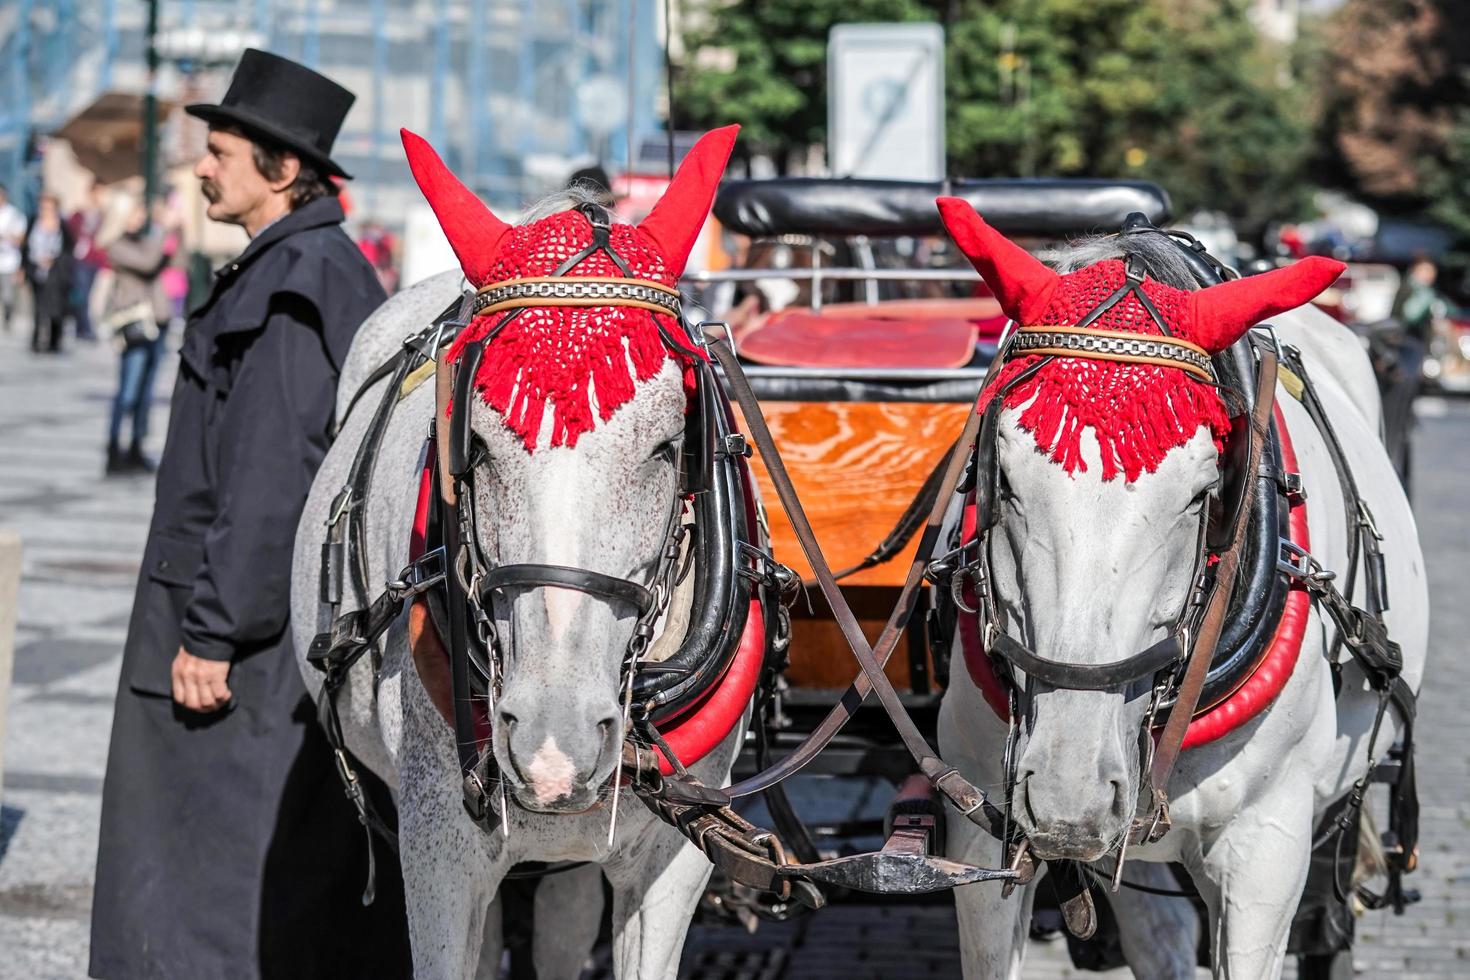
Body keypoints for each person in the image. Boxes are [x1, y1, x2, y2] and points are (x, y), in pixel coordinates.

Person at [89, 49, 410, 980]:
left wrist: (217, 631)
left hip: (247, 646)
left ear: (282, 170)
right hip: (252, 630)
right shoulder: (298, 265)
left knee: (215, 871)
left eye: (221, 152)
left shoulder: (298, 280)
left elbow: (273, 480)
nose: (200, 168)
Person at [99, 194, 170, 475]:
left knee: (146, 392)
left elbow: (175, 259)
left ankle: (137, 447)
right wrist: (162, 227)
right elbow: (149, 263)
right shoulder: (115, 245)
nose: (141, 216)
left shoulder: (143, 240)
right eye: (136, 212)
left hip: (158, 320)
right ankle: (114, 448)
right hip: (136, 324)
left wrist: (177, 229)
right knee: (128, 391)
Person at [24, 193, 73, 353]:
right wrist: (24, 267)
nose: (46, 210)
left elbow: (69, 249)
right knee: (38, 307)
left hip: (56, 273)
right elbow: (25, 247)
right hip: (36, 270)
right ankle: (36, 340)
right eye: (43, 207)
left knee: (56, 307)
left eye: (49, 207)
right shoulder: (33, 221)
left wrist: (55, 260)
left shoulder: (62, 225)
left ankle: (54, 341)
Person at [67, 180, 110, 342]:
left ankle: (82, 327)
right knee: (82, 294)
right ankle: (85, 328)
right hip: (81, 258)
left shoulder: (104, 215)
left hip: (96, 260)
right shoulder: (81, 213)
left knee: (91, 296)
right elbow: (71, 231)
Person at [1390, 255, 1445, 344]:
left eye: (1432, 271)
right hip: (1406, 337)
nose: (1430, 274)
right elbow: (1411, 315)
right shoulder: (1411, 288)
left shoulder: (1427, 291)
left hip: (1413, 337)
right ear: (1415, 271)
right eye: (1426, 270)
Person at [0, 182, 25, 332]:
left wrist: (7, 237)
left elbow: (21, 238)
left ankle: (8, 318)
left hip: (8, 262)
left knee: (8, 295)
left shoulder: (14, 215)